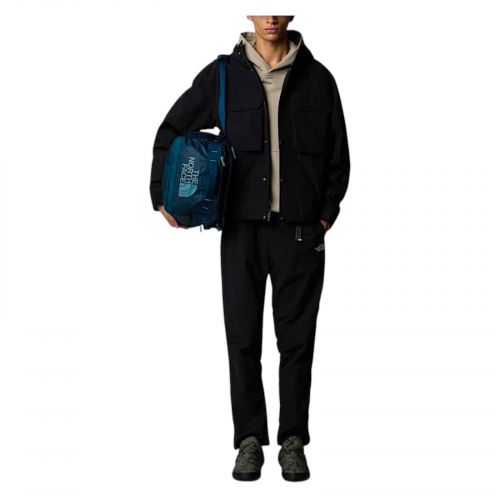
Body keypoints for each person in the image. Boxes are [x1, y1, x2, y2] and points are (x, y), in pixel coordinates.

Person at [149, 15, 350, 482]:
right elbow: (171, 129)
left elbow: (339, 156)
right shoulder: (224, 74)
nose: (271, 16)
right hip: (240, 231)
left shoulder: (318, 79)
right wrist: (164, 194)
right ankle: (249, 441)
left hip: (300, 233)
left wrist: (324, 216)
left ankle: (293, 440)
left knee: (297, 343)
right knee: (242, 339)